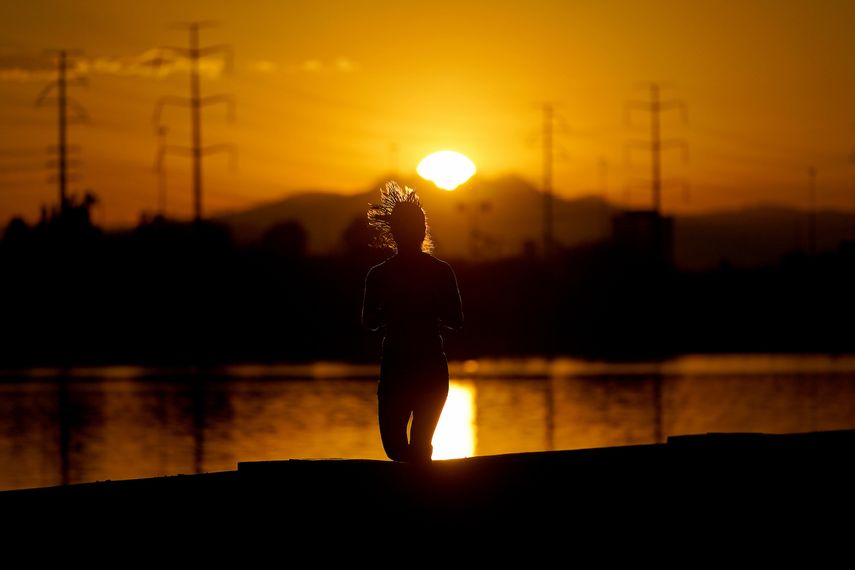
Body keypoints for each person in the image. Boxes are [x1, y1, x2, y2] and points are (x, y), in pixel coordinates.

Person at [362, 182, 463, 463]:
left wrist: (405, 307)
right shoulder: (436, 272)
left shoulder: (382, 274)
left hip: (411, 368)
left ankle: (420, 498)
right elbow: (457, 320)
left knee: (410, 449)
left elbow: (369, 322)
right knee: (404, 449)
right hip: (411, 368)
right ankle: (424, 494)